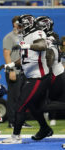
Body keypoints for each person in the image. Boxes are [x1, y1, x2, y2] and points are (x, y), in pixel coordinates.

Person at [0, 14, 53, 144]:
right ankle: (45, 128)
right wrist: (11, 64)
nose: (18, 27)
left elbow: (42, 46)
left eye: (20, 24)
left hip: (39, 77)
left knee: (21, 105)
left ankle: (16, 136)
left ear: (27, 24)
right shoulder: (25, 36)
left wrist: (26, 46)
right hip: (31, 76)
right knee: (34, 107)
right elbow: (26, 58)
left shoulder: (37, 33)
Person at [35, 16, 65, 149]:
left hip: (55, 76)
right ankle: (44, 128)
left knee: (43, 106)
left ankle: (44, 128)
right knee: (37, 105)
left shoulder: (50, 38)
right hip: (53, 75)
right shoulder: (50, 36)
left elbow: (50, 58)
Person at [3, 15, 32, 128]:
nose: (20, 24)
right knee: (13, 97)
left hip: (24, 71)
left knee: (22, 97)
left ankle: (21, 121)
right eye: (18, 22)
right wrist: (11, 70)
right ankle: (12, 121)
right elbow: (6, 54)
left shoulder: (24, 37)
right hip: (13, 70)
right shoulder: (9, 37)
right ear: (14, 24)